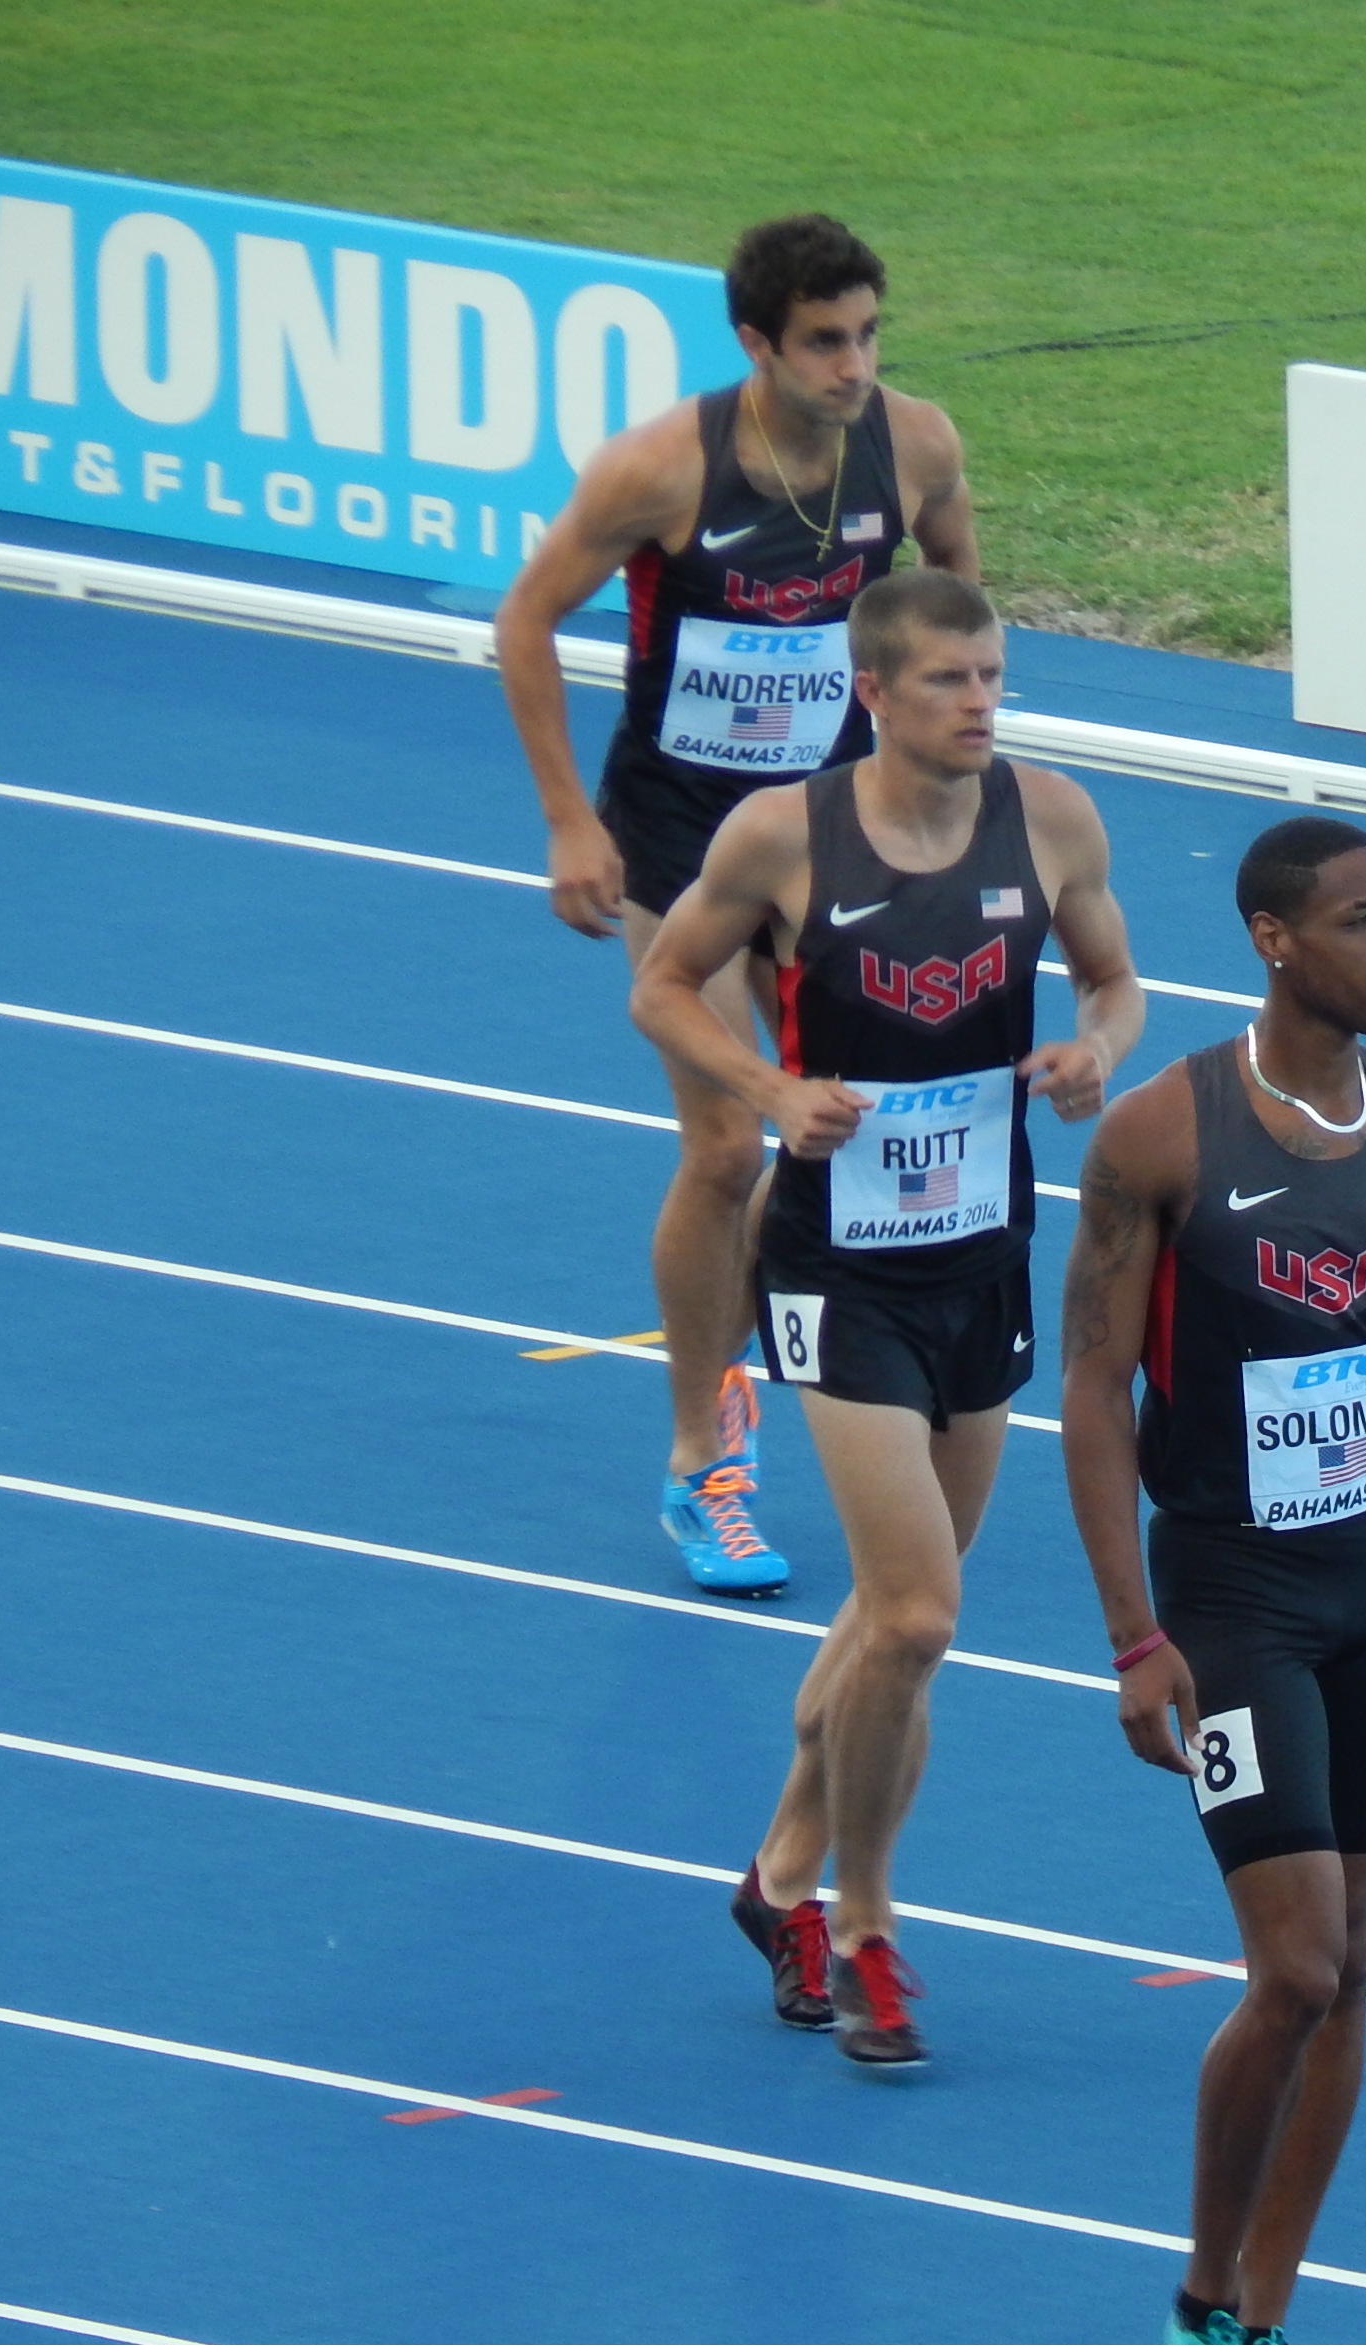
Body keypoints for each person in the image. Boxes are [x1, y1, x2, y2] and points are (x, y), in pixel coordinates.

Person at [632, 568, 1142, 2065]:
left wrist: (1095, 1049)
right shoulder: (784, 836)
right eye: (950, 682)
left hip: (982, 1254)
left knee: (883, 1618)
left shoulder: (1051, 820)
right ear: (876, 692)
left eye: (993, 676)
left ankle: (779, 1879)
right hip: (836, 1269)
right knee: (917, 1615)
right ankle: (863, 1927)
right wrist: (769, 1089)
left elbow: (1116, 981)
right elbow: (665, 987)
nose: (982, 702)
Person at [1057, 816, 1366, 2345]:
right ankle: (1193, 2314)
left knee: (1356, 1971)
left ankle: (1266, 2334)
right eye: (1365, 920)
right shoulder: (1159, 1139)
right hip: (1231, 1593)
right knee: (1296, 1966)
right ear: (1274, 940)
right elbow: (1094, 1396)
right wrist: (1132, 1635)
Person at [498, 211, 980, 1596]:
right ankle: (703, 1455)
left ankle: (846, 1369)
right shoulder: (662, 468)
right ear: (757, 343)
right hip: (685, 845)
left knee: (868, 1125)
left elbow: (953, 598)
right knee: (727, 1144)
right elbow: (526, 619)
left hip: (837, 834)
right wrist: (567, 820)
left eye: (870, 334)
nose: (854, 364)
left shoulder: (917, 444)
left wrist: (942, 754)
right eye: (825, 341)